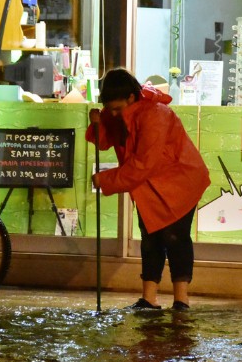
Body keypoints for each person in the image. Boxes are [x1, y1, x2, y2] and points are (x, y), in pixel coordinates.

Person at [86, 68, 210, 311]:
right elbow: (104, 141)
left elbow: (143, 164)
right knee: (150, 237)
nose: (112, 113)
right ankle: (149, 298)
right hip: (149, 186)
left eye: (116, 109)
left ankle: (181, 300)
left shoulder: (155, 115)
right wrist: (97, 124)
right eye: (108, 108)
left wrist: (106, 180)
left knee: (175, 236)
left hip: (179, 181)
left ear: (131, 98)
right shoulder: (118, 111)